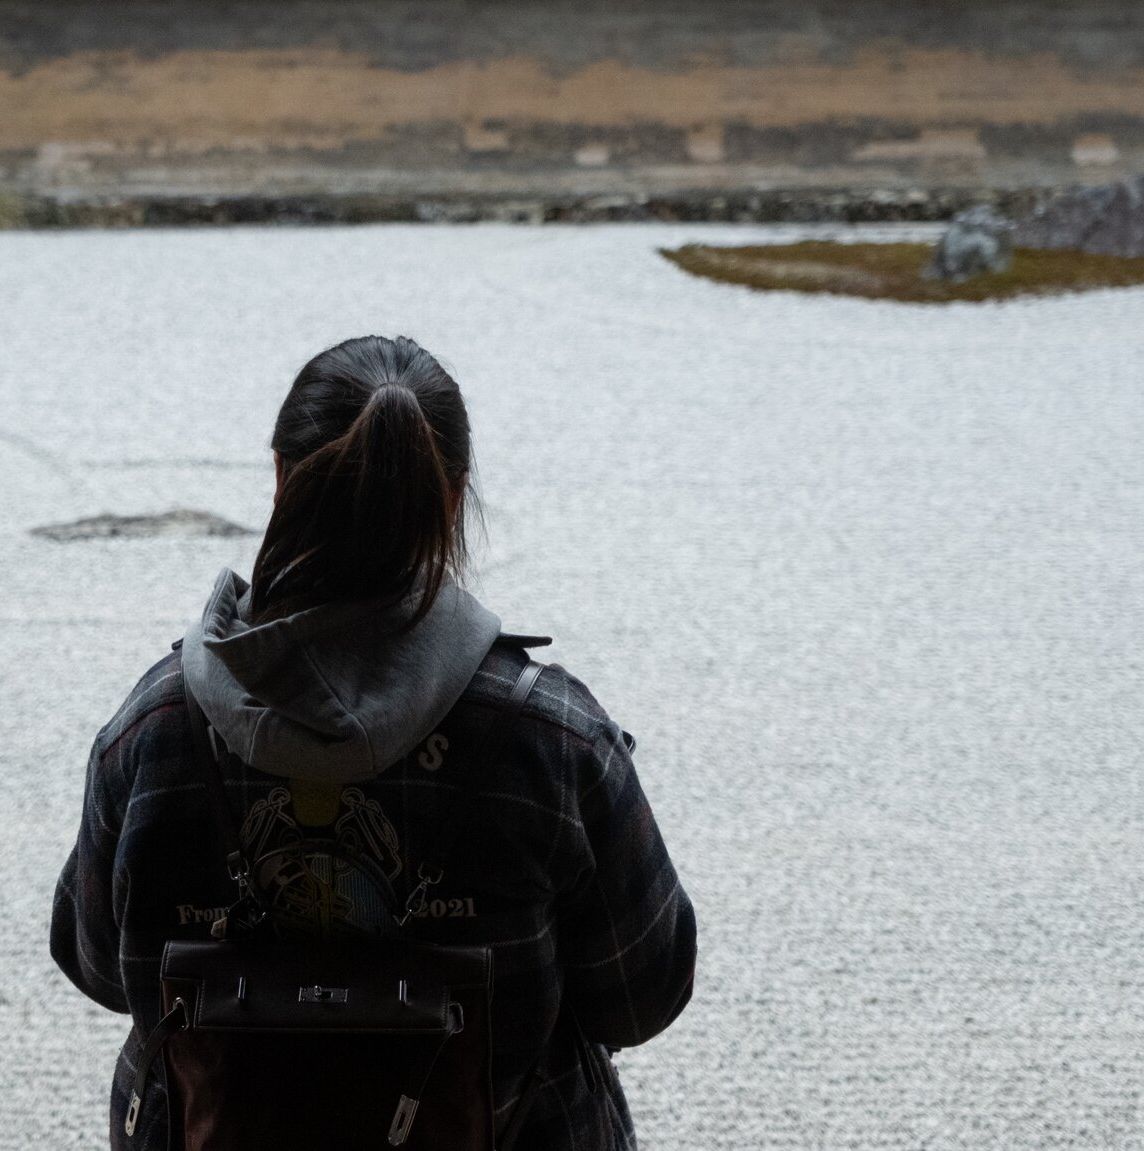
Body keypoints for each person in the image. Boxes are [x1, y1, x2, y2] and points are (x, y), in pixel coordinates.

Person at [51, 335, 697, 1150]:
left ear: (282, 480)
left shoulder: (155, 729)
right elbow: (643, 996)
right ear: (452, 498)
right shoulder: (550, 738)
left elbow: (100, 968)